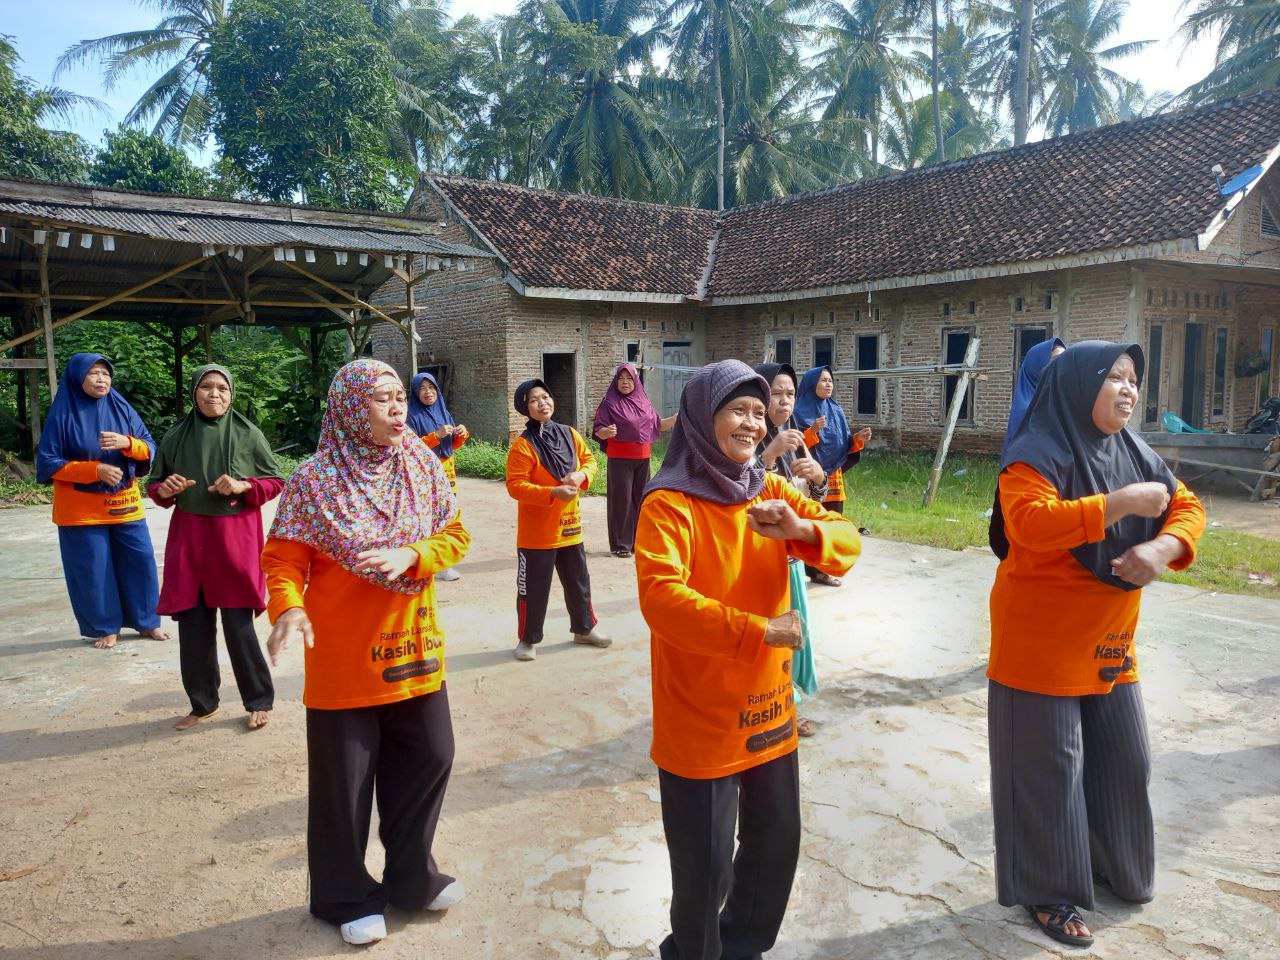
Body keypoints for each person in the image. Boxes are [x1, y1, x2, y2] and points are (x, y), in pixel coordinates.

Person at [635, 359, 861, 960]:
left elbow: (848, 539)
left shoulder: (768, 490)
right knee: (705, 866)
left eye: (760, 413)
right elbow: (662, 600)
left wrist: (803, 532)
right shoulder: (670, 503)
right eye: (739, 410)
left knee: (775, 841)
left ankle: (742, 945)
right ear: (703, 419)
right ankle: (693, 951)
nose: (753, 424)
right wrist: (758, 631)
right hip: (701, 714)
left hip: (767, 706)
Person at [987, 341, 1205, 950]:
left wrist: (1163, 548)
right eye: (1115, 377)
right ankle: (1049, 891)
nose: (1129, 389)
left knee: (1125, 760)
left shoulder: (1137, 452)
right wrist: (1117, 507)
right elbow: (1028, 524)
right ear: (1081, 385)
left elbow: (1186, 507)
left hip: (1111, 642)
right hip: (1041, 644)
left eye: (1135, 379)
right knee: (1049, 771)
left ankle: (1114, 865)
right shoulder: (1034, 453)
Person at [261, 359, 470, 947]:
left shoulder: (422, 464)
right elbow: (282, 559)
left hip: (415, 650)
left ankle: (411, 878)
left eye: (400, 396)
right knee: (345, 787)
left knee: (432, 756)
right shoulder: (314, 479)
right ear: (353, 409)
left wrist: (414, 555)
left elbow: (455, 534)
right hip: (345, 661)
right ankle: (344, 895)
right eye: (381, 399)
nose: (397, 408)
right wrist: (289, 608)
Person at [149, 364, 284, 732]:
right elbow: (156, 485)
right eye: (206, 387)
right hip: (190, 539)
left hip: (235, 540)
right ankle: (202, 704)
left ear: (231, 393)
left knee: (238, 627)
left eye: (222, 388)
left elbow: (275, 481)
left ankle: (258, 700)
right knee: (193, 626)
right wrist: (166, 489)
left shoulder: (248, 434)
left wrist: (243, 487)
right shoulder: (176, 436)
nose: (214, 394)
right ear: (194, 392)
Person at [35, 352, 170, 650]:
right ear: (77, 378)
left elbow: (150, 447)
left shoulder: (122, 408)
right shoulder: (63, 414)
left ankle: (147, 622)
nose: (102, 379)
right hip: (80, 511)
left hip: (125, 503)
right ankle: (106, 627)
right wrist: (93, 470)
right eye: (94, 374)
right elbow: (48, 463)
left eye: (106, 373)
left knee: (140, 562)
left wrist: (128, 443)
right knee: (94, 568)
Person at [506, 379, 611, 661]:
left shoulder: (569, 434)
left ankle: (584, 629)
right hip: (537, 533)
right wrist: (552, 492)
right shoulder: (523, 446)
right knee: (533, 589)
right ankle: (527, 640)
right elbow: (515, 486)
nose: (543, 403)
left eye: (545, 397)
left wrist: (581, 475)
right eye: (534, 400)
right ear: (525, 408)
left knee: (579, 582)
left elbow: (590, 460)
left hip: (571, 527)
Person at [754, 362, 829, 738]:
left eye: (790, 394)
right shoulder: (749, 437)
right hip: (763, 558)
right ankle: (777, 707)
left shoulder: (792, 436)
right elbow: (740, 491)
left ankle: (788, 701)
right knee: (774, 636)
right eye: (776, 393)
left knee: (796, 634)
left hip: (793, 558)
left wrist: (818, 477)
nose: (784, 401)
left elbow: (811, 501)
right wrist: (767, 455)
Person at [989, 336, 1068, 558]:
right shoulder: (1028, 411)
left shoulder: (1061, 403)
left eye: (1064, 361)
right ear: (1036, 368)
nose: (1059, 368)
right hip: (1031, 492)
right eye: (1053, 360)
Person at [792, 365, 870, 586]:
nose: (828, 384)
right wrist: (812, 432)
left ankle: (826, 567)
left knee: (832, 519)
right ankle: (812, 569)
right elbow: (795, 445)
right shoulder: (799, 411)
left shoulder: (835, 409)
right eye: (823, 380)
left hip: (833, 477)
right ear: (811, 383)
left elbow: (843, 444)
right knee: (812, 520)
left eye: (830, 380)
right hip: (810, 477)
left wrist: (858, 438)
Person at [592, 362, 676, 557]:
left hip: (643, 459)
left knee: (641, 500)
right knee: (621, 501)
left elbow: (656, 425)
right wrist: (606, 431)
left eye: (629, 378)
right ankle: (620, 545)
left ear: (636, 380)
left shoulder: (644, 402)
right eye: (621, 379)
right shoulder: (609, 403)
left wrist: (673, 420)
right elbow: (598, 430)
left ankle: (638, 541)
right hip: (619, 458)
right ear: (616, 381)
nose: (625, 382)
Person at [408, 372, 469, 582]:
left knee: (449, 515)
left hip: (448, 471)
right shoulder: (411, 416)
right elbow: (410, 448)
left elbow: (451, 446)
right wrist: (436, 435)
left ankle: (443, 563)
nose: (428, 392)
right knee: (431, 518)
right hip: (427, 473)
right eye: (422, 388)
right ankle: (432, 563)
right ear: (416, 393)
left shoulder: (443, 411)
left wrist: (460, 435)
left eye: (431, 387)